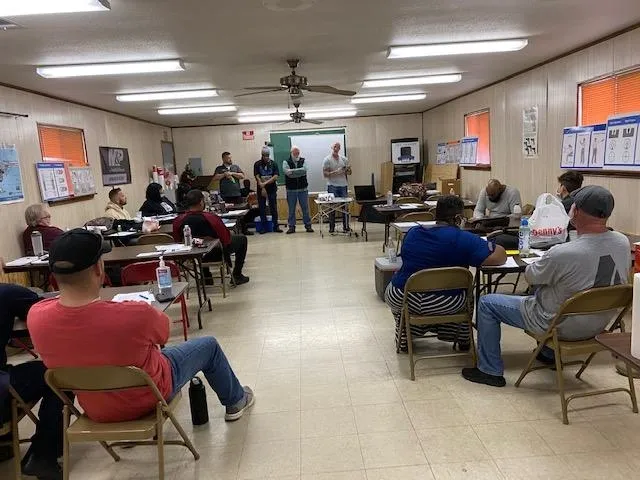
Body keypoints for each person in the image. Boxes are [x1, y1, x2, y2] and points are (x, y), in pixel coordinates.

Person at [27, 229, 254, 426]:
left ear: (53, 275)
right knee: (208, 345)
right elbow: (164, 333)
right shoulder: (134, 313)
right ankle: (235, 401)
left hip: (96, 409)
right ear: (99, 268)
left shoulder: (36, 317)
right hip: (149, 396)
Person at [462, 186, 630, 387]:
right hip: (598, 323)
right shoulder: (622, 242)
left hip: (557, 325)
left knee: (487, 302)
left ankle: (489, 370)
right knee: (558, 291)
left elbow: (531, 276)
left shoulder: (563, 253)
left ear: (575, 211)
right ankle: (548, 353)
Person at [385, 196, 507, 352]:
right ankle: (462, 338)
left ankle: (407, 332)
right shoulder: (464, 239)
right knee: (468, 296)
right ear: (458, 218)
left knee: (399, 298)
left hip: (404, 297)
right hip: (447, 302)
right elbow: (500, 256)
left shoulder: (413, 233)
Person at [0, 284, 66, 479]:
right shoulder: (7, 293)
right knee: (57, 375)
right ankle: (43, 455)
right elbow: (44, 311)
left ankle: (4, 442)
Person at [173, 189, 249, 285]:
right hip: (215, 253)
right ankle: (237, 275)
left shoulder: (178, 220)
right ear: (201, 202)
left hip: (192, 255)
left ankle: (206, 277)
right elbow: (225, 239)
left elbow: (177, 241)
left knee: (199, 244)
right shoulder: (211, 218)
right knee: (242, 239)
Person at [283, 146, 314, 234]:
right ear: (291, 152)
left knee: (305, 208)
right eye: (295, 152)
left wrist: (293, 172)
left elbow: (304, 170)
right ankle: (291, 227)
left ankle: (308, 226)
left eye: (298, 152)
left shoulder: (303, 160)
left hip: (303, 189)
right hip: (291, 190)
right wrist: (298, 172)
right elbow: (287, 173)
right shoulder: (286, 161)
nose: (297, 154)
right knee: (291, 209)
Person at [322, 142, 351, 233]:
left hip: (343, 185)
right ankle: (332, 228)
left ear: (339, 148)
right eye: (335, 146)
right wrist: (336, 172)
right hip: (332, 186)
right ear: (332, 147)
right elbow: (325, 174)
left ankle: (346, 226)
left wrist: (347, 170)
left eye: (338, 147)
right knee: (332, 207)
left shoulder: (344, 159)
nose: (336, 148)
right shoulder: (327, 159)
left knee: (345, 207)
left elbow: (350, 173)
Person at [254, 146, 283, 233]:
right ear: (262, 155)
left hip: (271, 189)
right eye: (264, 155)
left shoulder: (274, 164)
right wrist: (262, 186)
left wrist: (265, 183)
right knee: (262, 208)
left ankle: (276, 227)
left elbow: (275, 176)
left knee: (273, 208)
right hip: (261, 190)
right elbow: (257, 176)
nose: (266, 157)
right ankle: (263, 227)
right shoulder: (257, 164)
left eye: (267, 155)